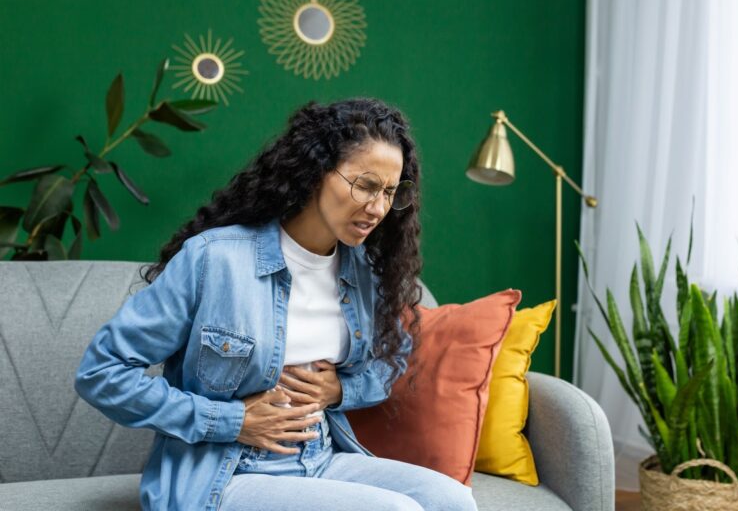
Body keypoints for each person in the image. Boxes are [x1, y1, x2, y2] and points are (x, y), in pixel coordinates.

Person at [74, 97, 478, 511]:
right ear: (315, 171)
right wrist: (232, 421)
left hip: (320, 458)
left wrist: (342, 389)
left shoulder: (363, 271)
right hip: (225, 473)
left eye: (390, 192)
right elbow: (101, 372)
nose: (378, 208)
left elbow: (393, 358)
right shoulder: (214, 260)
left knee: (453, 500)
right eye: (366, 185)